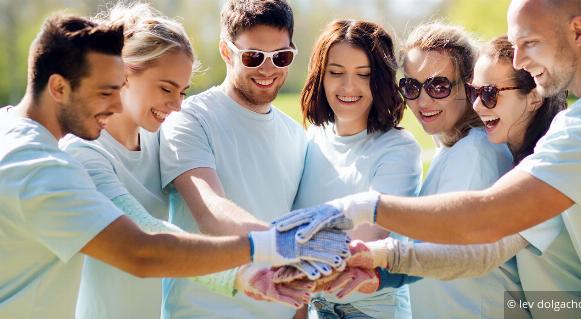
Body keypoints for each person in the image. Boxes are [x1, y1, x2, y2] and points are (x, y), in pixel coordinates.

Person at [274, 0, 581, 312]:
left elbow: (485, 221)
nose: (521, 59)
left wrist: (365, 208)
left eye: (530, 43)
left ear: (577, 31)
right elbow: (486, 251)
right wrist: (384, 263)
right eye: (411, 86)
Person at [0, 13, 347, 319]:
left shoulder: (154, 141)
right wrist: (268, 249)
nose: (177, 107)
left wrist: (245, 273)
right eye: (105, 91)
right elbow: (144, 243)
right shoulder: (60, 157)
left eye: (182, 92)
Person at [345, 36, 581, 319]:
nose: (479, 105)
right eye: (475, 92)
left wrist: (369, 219)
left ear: (534, 96)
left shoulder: (531, 168)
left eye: (490, 93)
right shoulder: (505, 155)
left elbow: (474, 253)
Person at [157, 0, 312, 317]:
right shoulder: (190, 118)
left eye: (281, 57)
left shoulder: (297, 136)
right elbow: (210, 212)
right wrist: (287, 246)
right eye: (254, 57)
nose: (268, 69)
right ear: (227, 52)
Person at [291, 19, 421, 319]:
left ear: (381, 81)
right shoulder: (310, 140)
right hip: (315, 307)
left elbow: (365, 240)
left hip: (373, 310)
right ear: (320, 77)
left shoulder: (399, 148)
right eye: (336, 73)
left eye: (363, 75)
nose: (348, 87)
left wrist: (284, 254)